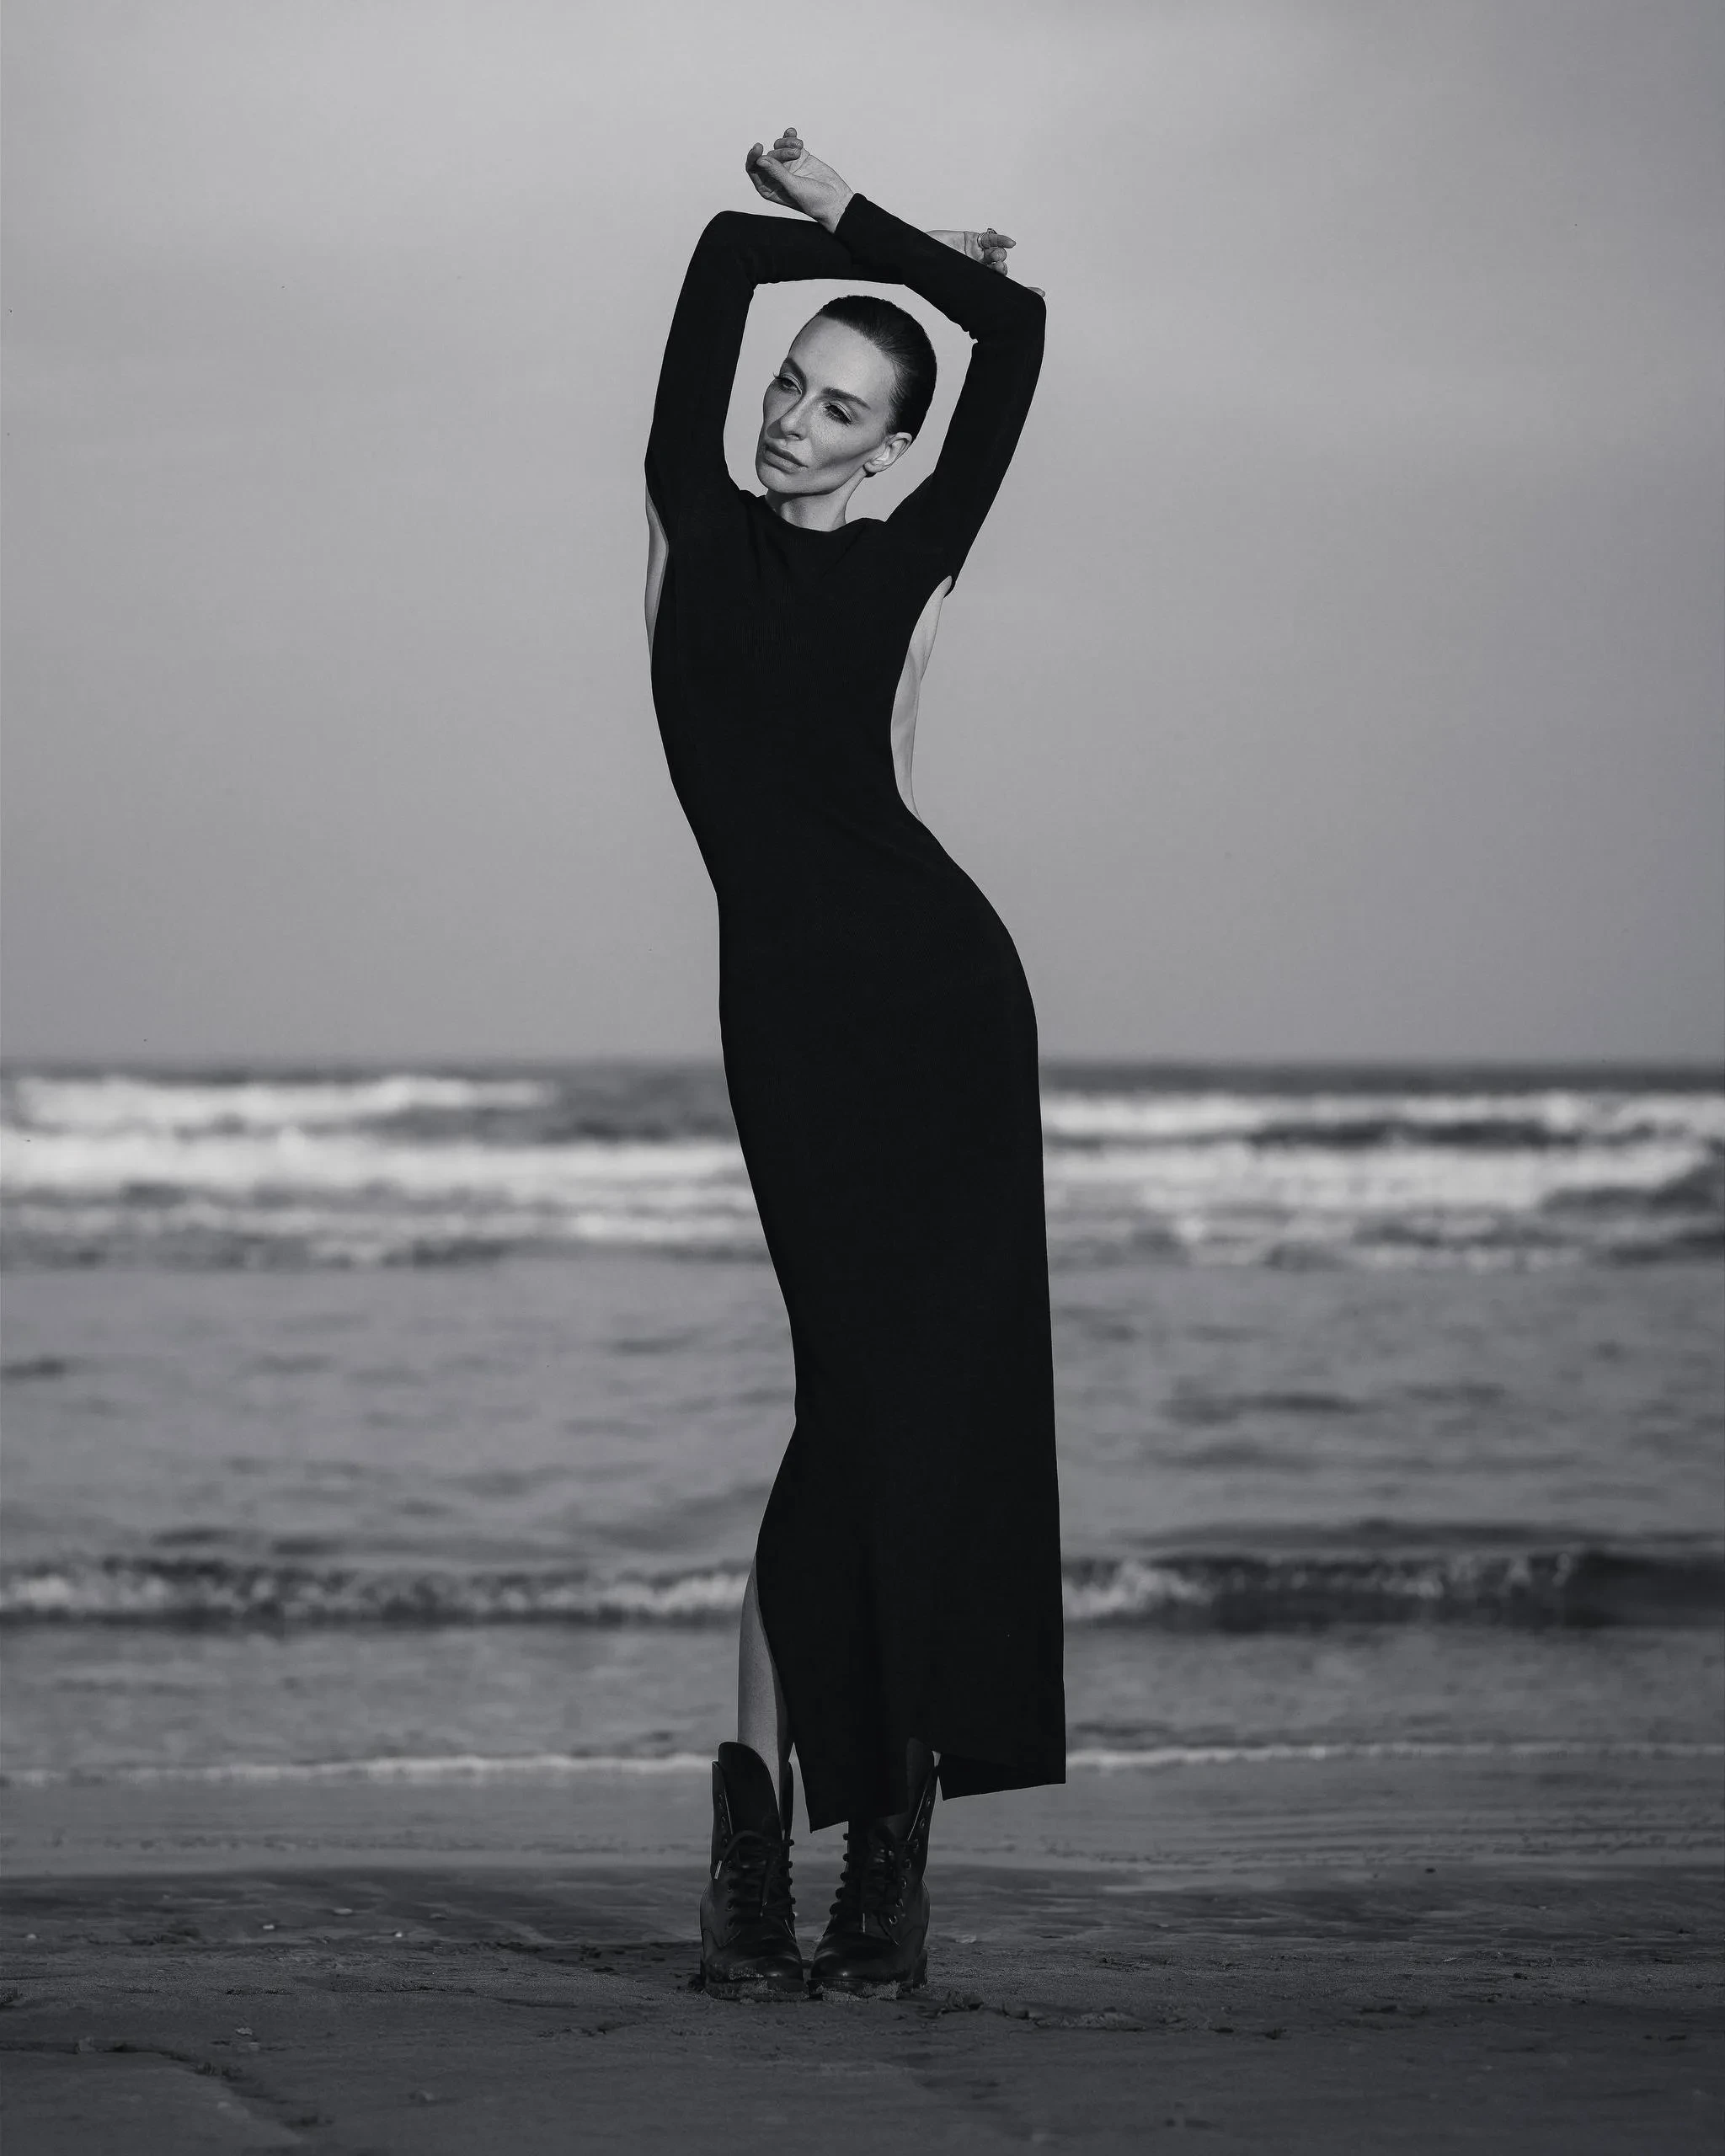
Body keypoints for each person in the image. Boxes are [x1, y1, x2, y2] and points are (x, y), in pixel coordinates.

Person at [644, 127, 1065, 1999]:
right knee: (845, 1407)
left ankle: (882, 1868)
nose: (796, 421)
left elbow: (1016, 336)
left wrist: (880, 228)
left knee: (924, 1418)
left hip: (944, 1005)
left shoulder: (913, 560)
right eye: (792, 387)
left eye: (842, 409)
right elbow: (713, 268)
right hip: (794, 1026)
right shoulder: (688, 507)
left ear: (895, 448)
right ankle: (754, 1851)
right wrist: (842, 237)